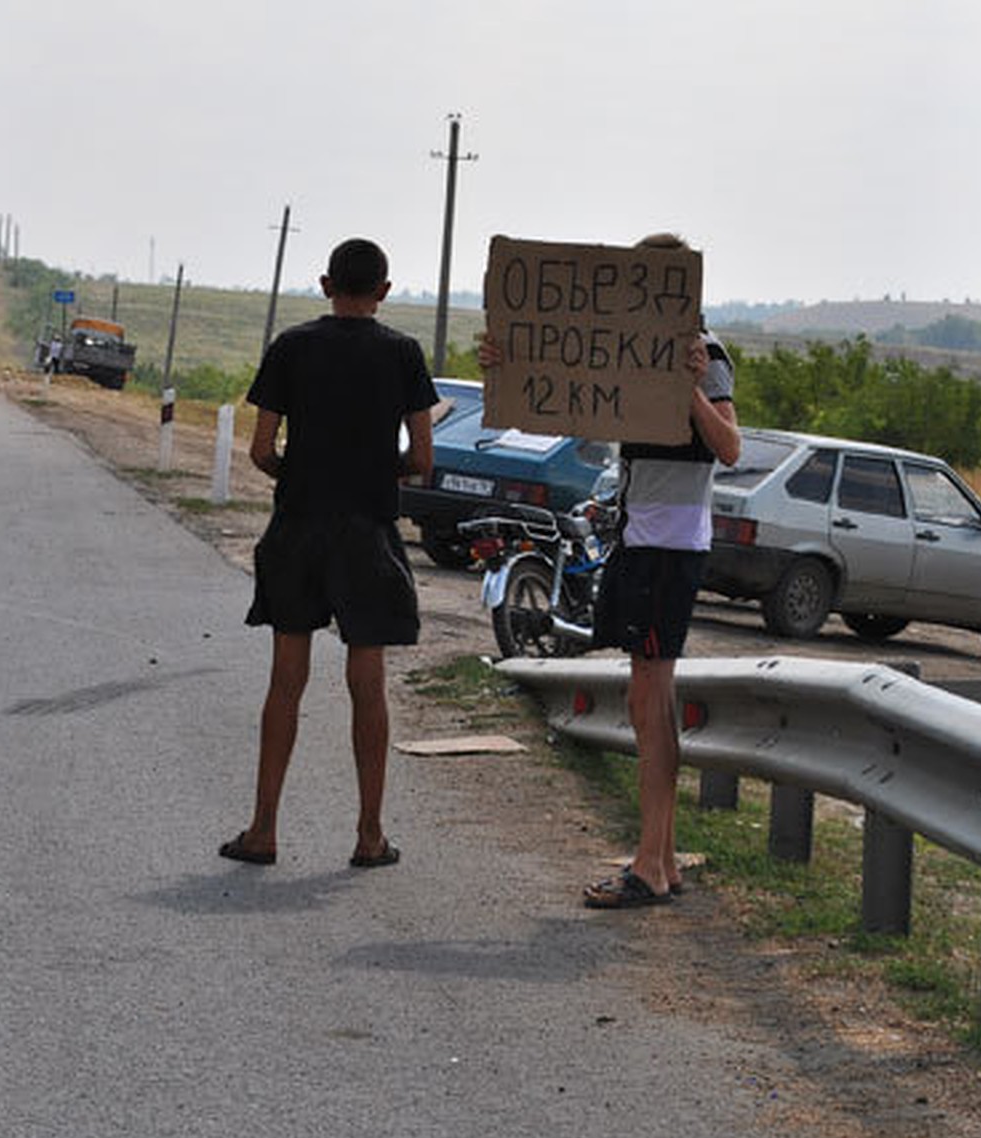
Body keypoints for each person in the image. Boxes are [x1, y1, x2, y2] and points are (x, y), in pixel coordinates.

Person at [480, 232, 740, 908]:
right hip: (637, 540)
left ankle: (651, 865)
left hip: (671, 548)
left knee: (650, 701)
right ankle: (663, 859)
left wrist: (687, 390)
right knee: (644, 697)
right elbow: (569, 396)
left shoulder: (703, 357)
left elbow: (730, 447)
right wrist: (508, 364)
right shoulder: (631, 352)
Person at [219, 238, 435, 870]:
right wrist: (371, 470)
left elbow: (262, 449)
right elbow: (421, 459)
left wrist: (302, 471)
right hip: (367, 531)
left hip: (298, 527)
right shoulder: (402, 354)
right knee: (367, 685)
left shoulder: (292, 346)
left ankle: (263, 830)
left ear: (324, 284)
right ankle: (369, 835)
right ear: (385, 291)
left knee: (287, 680)